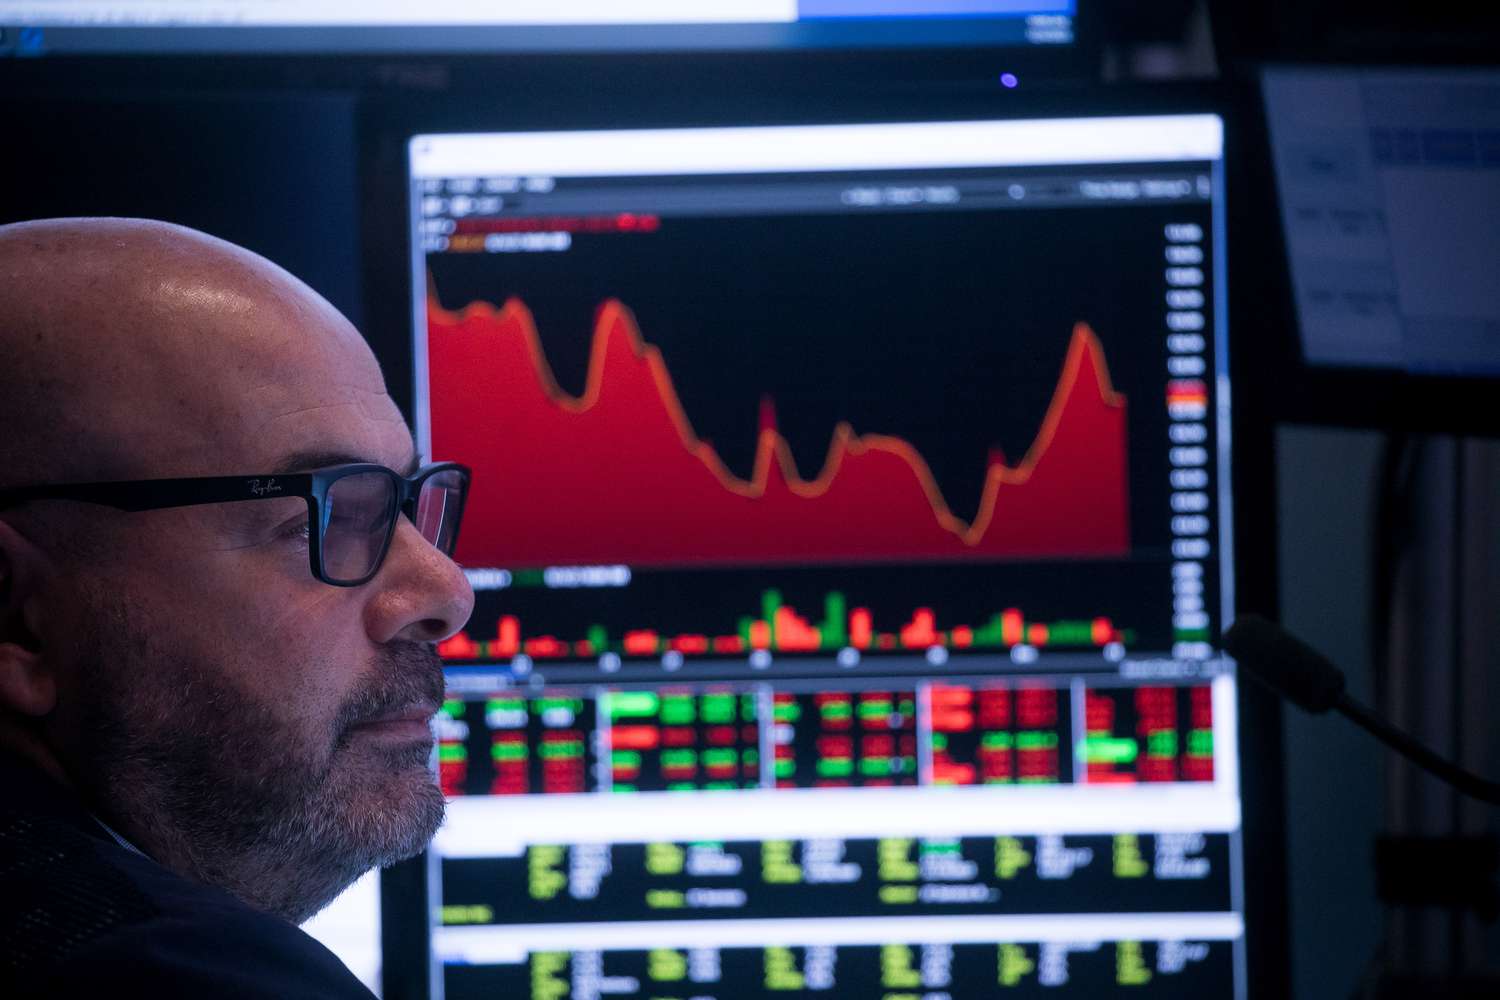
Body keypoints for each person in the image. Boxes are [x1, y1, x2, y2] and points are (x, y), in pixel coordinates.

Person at [0, 218, 475, 996]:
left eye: (404, 502)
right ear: (19, 617)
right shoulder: (166, 973)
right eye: (322, 519)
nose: (448, 592)